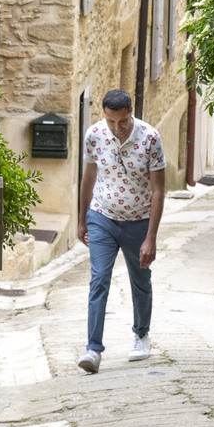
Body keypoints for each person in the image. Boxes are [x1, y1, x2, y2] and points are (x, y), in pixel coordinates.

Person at [77, 87, 165, 373]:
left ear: (131, 113)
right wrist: (82, 219)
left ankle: (141, 334)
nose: (117, 128)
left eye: (122, 122)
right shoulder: (94, 135)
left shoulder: (150, 137)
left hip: (138, 221)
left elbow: (158, 190)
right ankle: (93, 349)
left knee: (140, 280)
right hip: (102, 216)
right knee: (99, 279)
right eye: (111, 122)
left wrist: (150, 237)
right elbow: (88, 178)